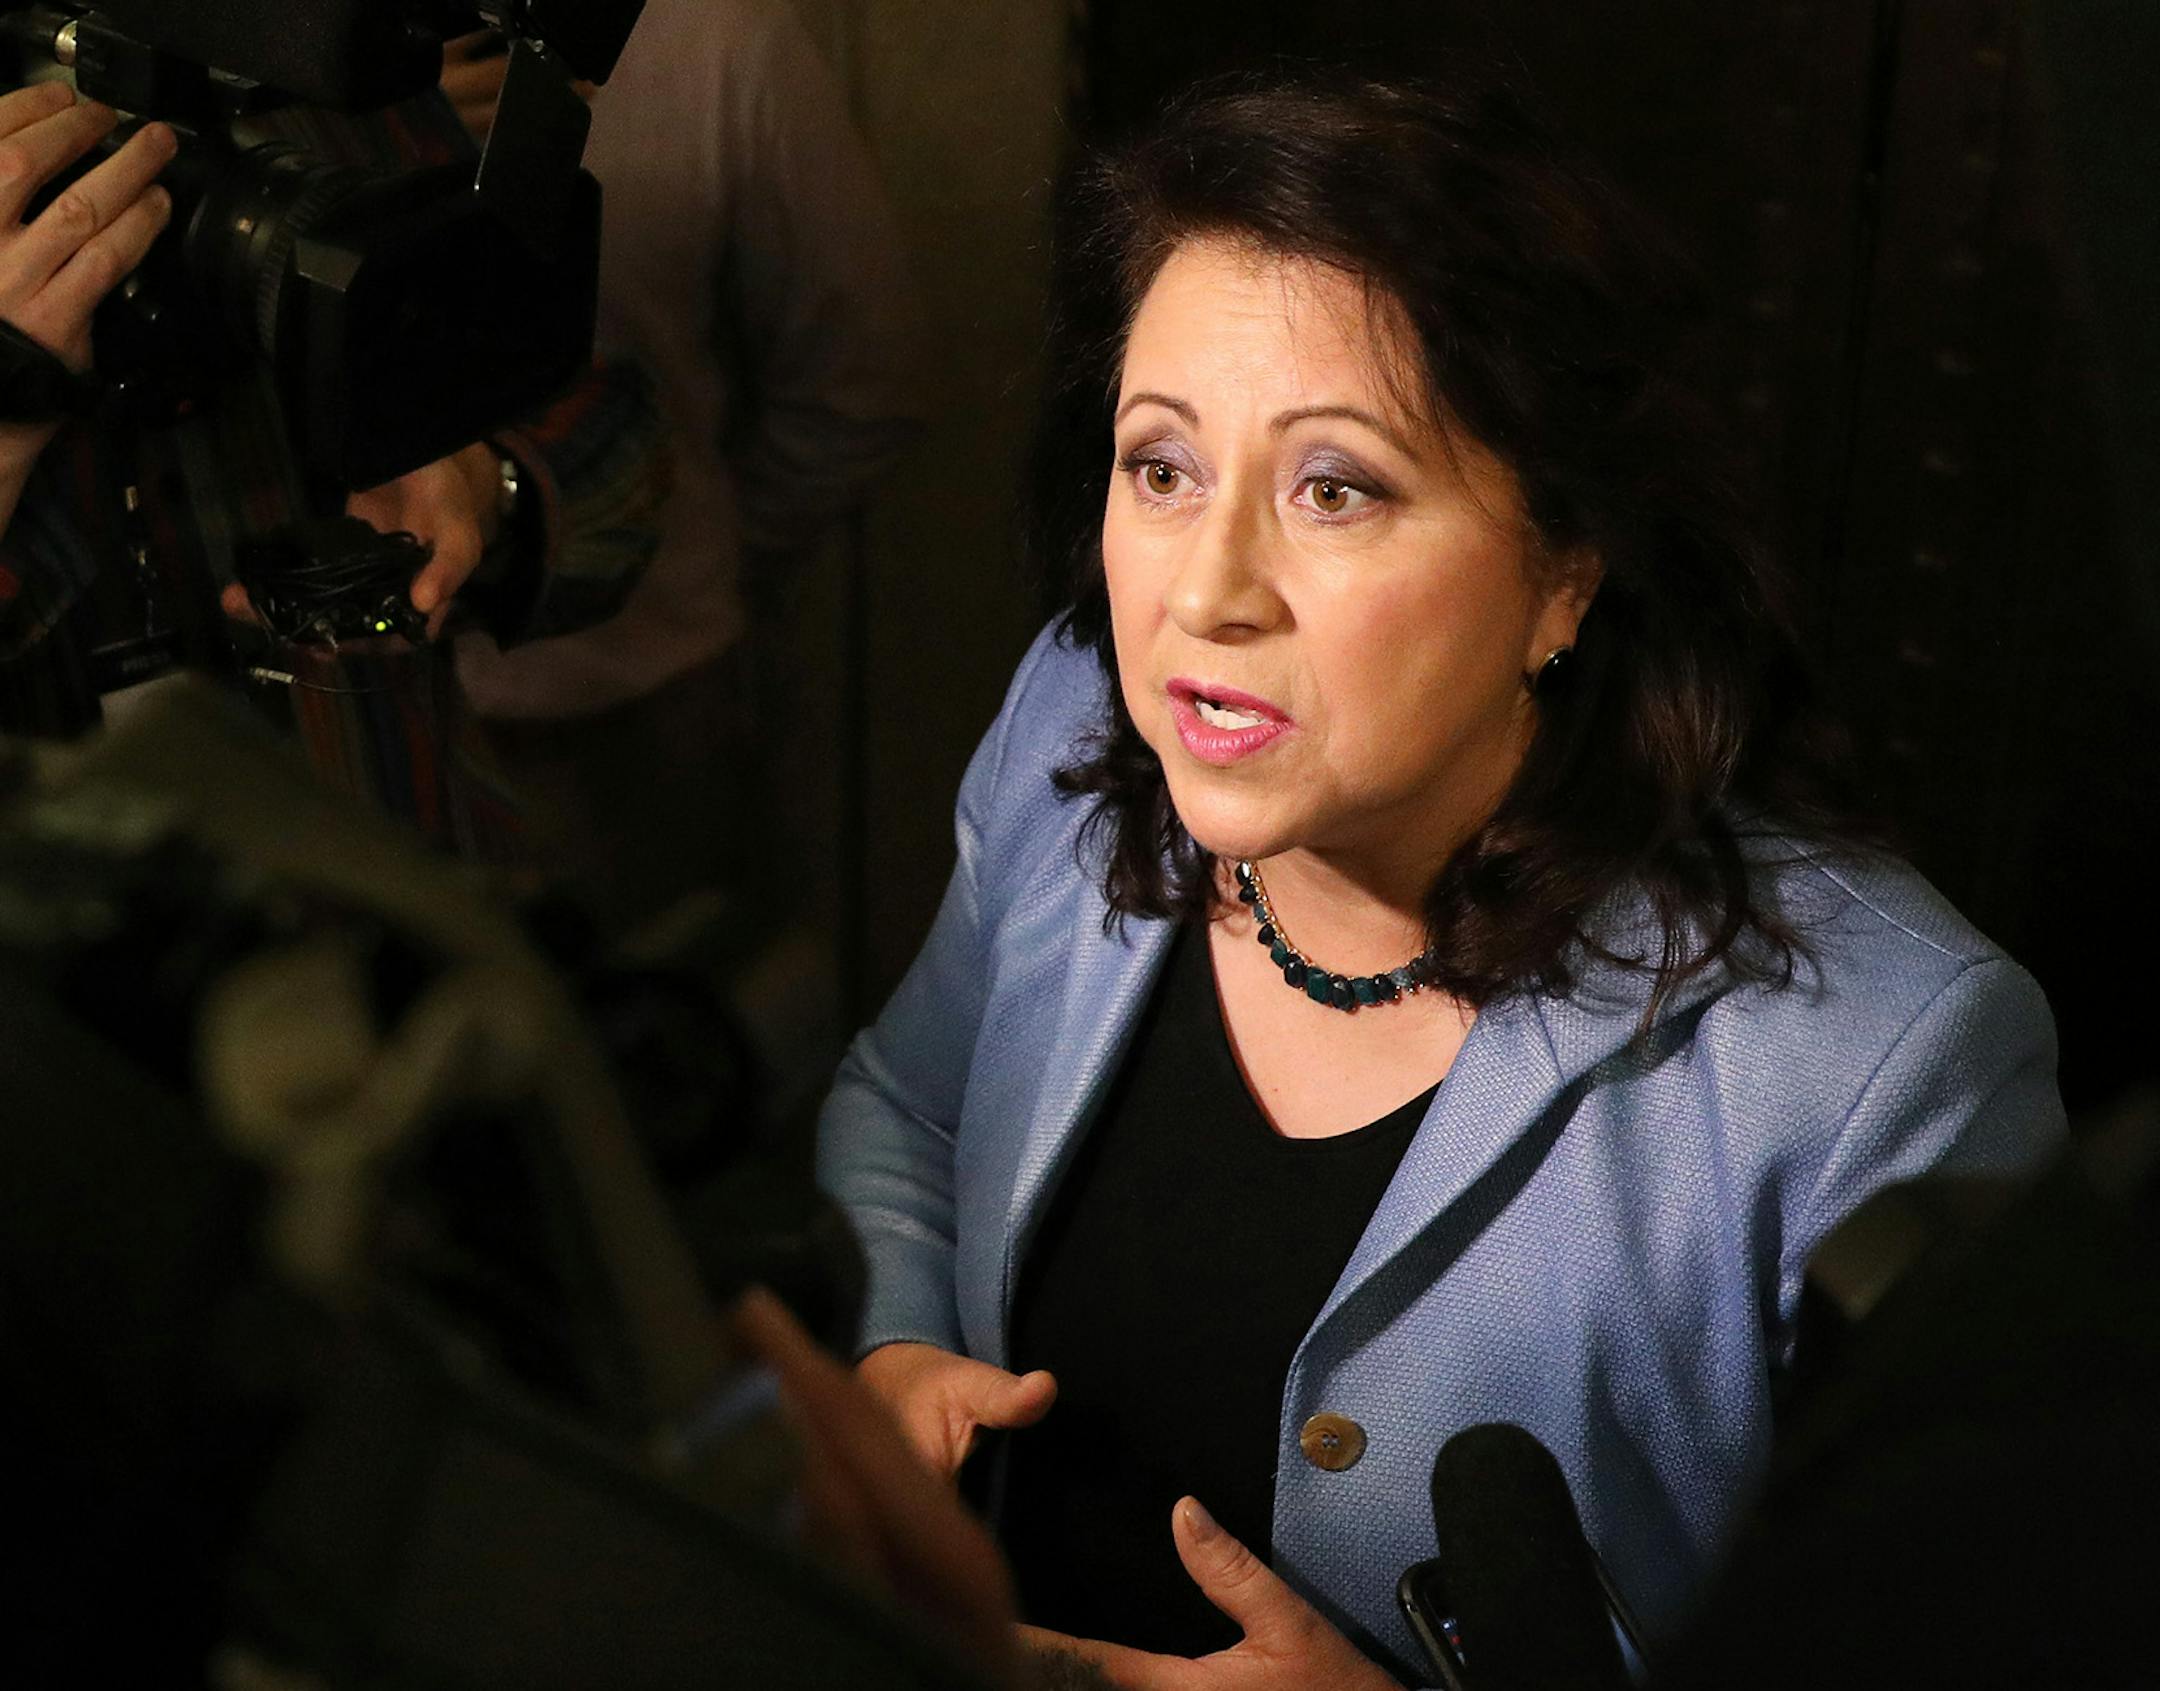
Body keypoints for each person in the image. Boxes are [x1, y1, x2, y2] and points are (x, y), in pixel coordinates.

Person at [814, 73, 2067, 1687]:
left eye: (1336, 487)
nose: (1206, 592)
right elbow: (905, 1109)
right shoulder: (1072, 722)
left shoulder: (1885, 1065)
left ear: (1565, 565)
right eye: (1162, 468)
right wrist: (893, 1342)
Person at [437, 0, 925, 937]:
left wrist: (696, 555)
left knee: (653, 1045)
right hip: (318, 703)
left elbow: (864, 378)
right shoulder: (263, 56)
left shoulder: (714, 44)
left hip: (631, 716)